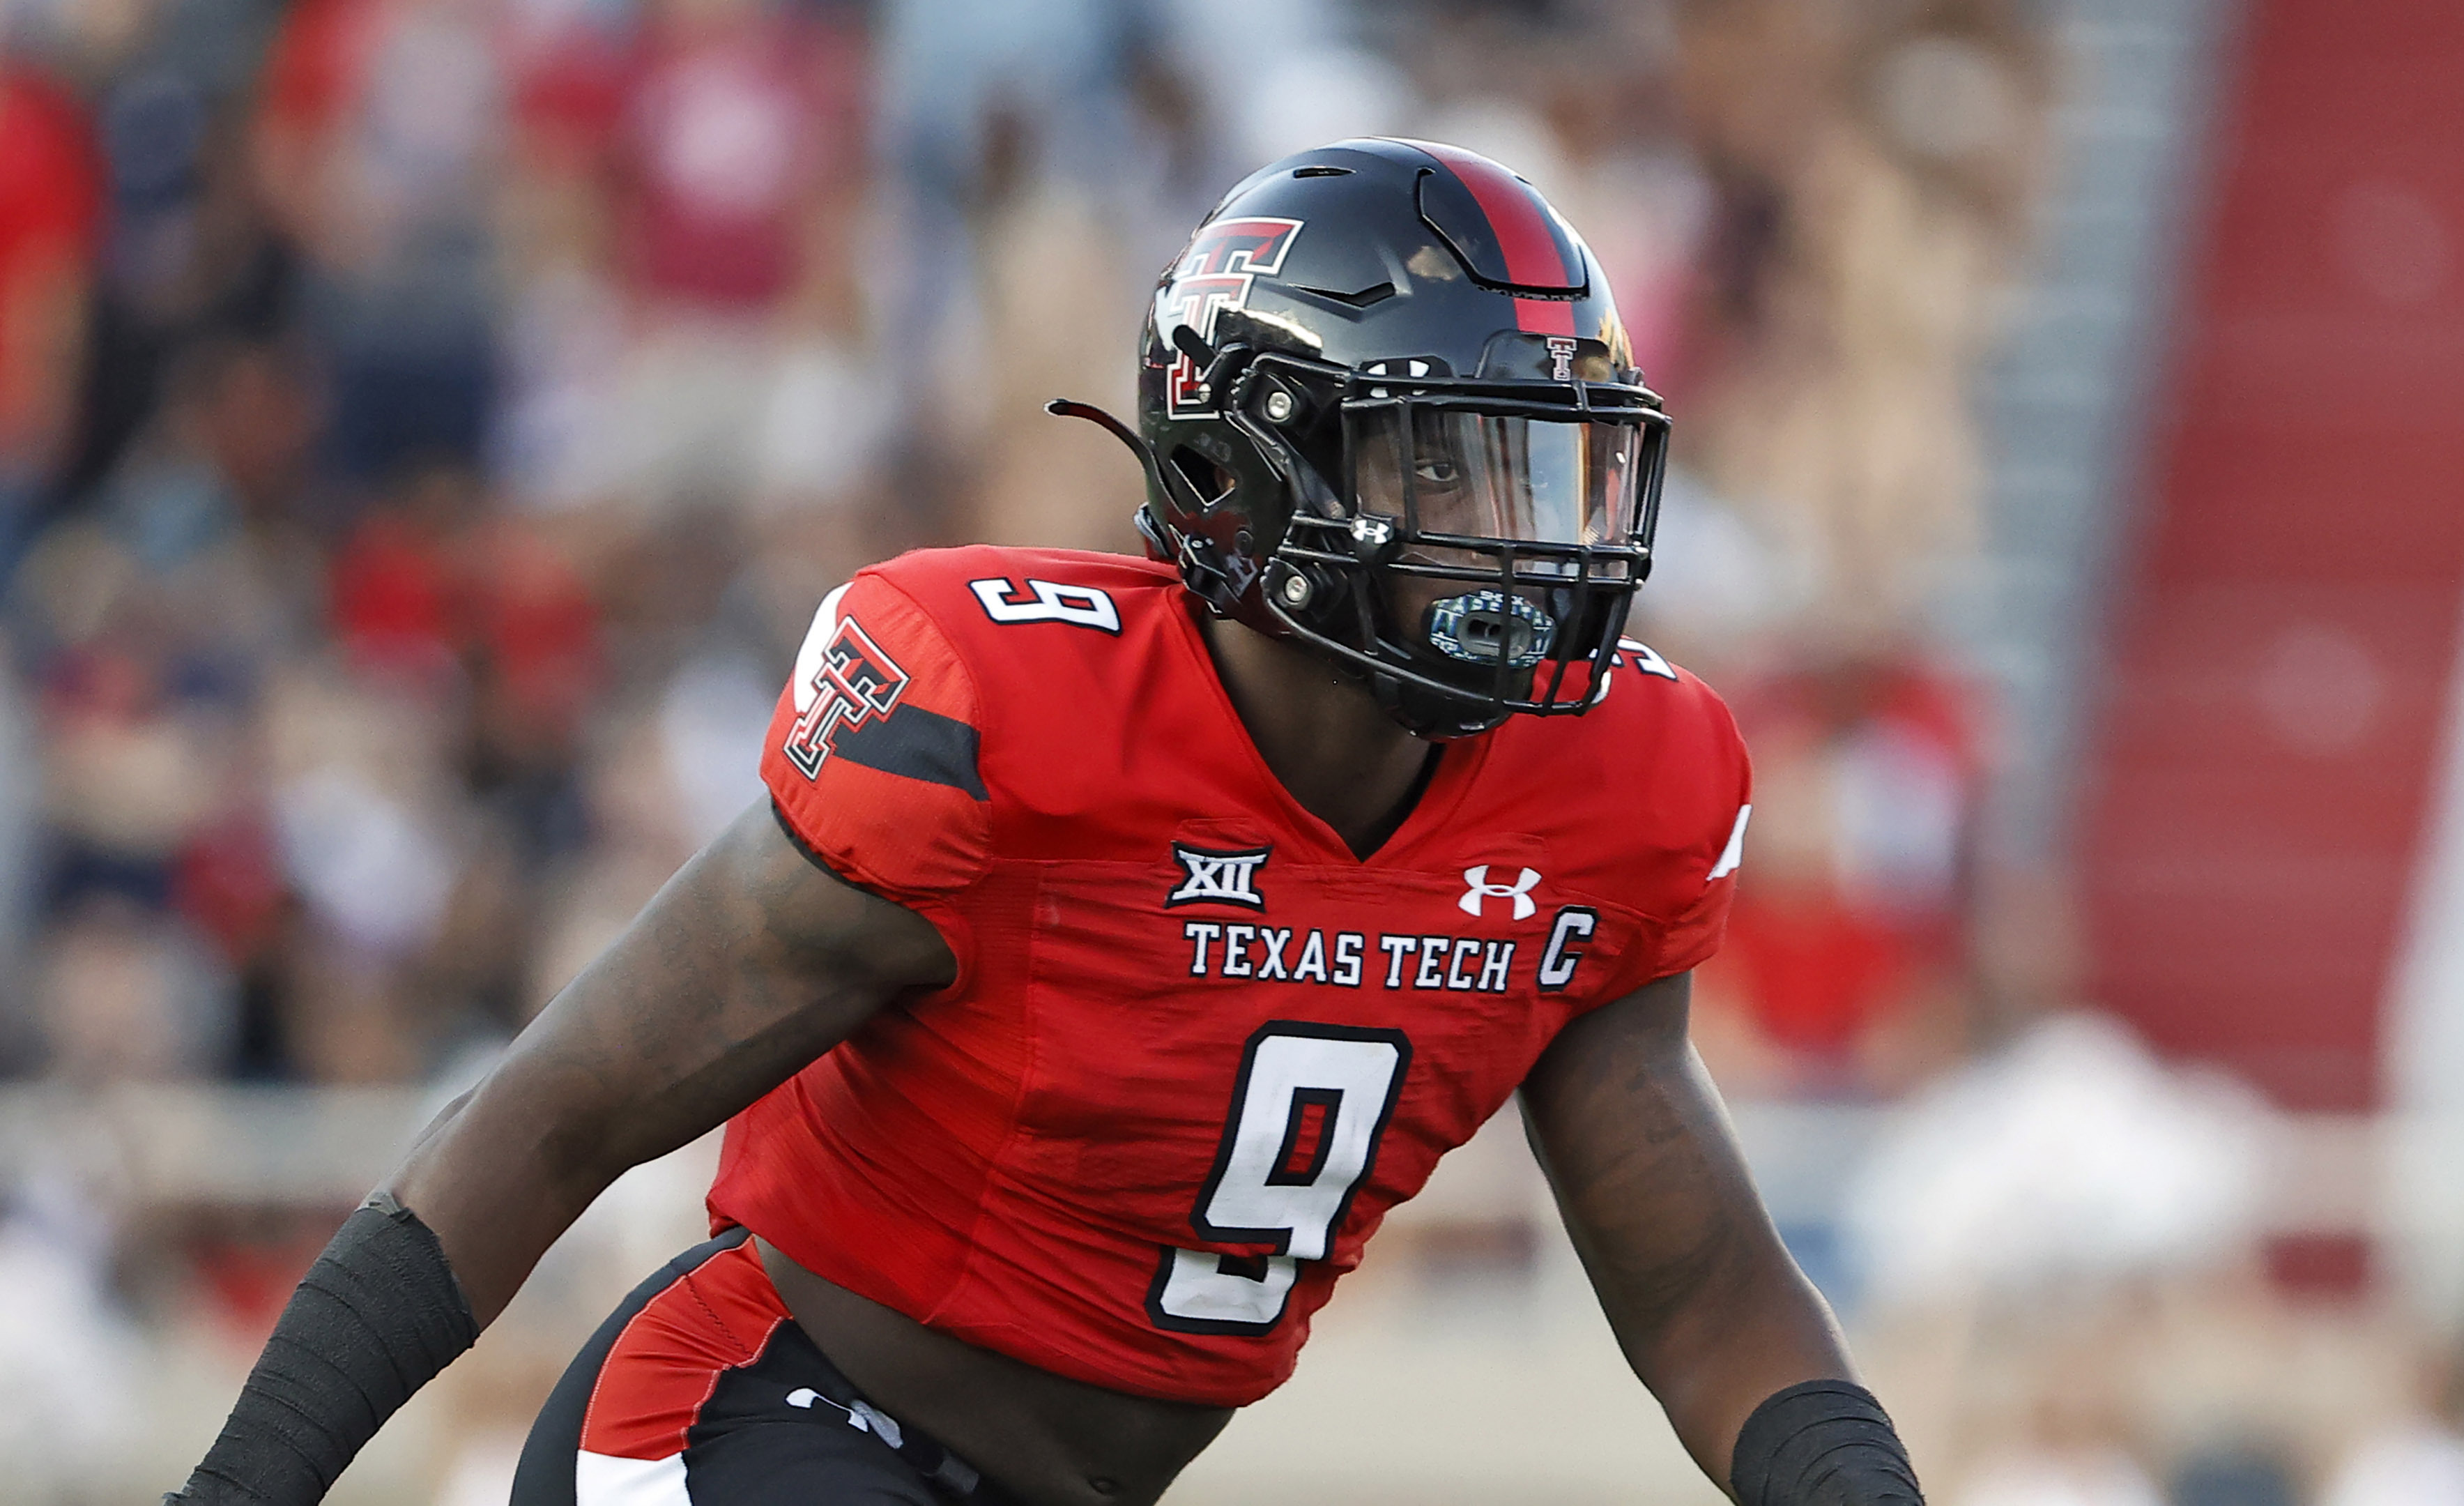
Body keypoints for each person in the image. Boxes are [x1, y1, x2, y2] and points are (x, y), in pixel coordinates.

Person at [168, 138, 1922, 1506]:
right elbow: (552, 1117)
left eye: (1548, 470)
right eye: (1453, 464)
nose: (1523, 542)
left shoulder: (1612, 788)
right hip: (751, 1423)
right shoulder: (1006, 720)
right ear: (1254, 469)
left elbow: (1701, 1295)